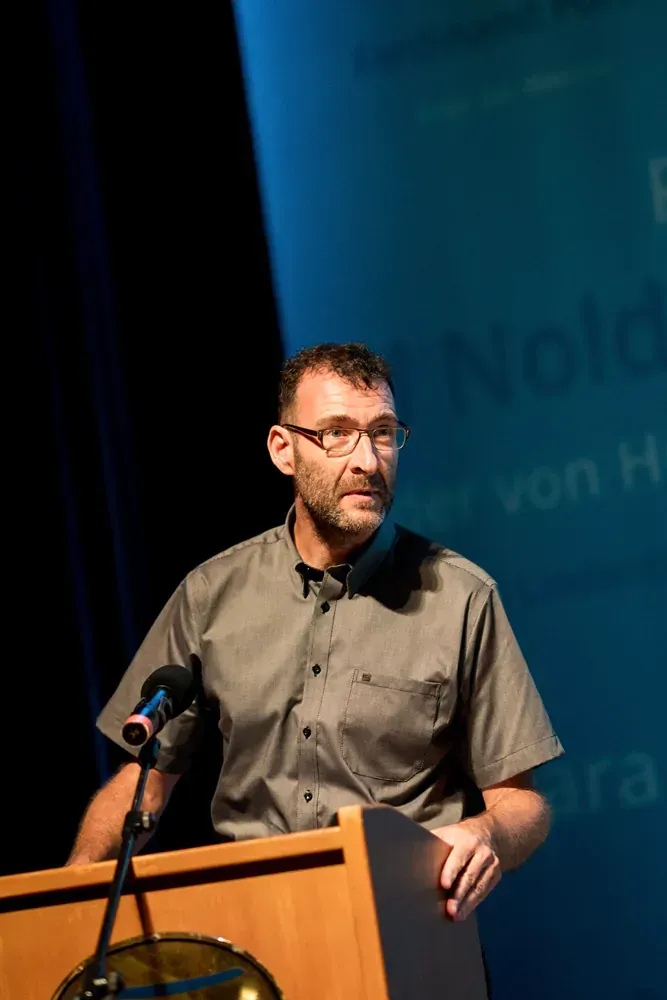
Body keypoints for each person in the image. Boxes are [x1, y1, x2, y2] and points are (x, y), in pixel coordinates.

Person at [67, 342, 563, 927]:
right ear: (284, 450)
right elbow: (144, 778)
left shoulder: (461, 598)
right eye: (336, 433)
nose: (367, 460)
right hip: (256, 931)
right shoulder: (211, 594)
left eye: (382, 433)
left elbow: (522, 805)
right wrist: (70, 893)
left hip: (405, 932)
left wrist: (485, 833)